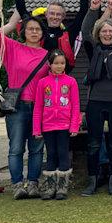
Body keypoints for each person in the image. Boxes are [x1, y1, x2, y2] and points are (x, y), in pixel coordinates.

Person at [80, 0, 112, 197]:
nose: (107, 34)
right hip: (95, 102)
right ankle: (92, 180)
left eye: (110, 31)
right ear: (99, 34)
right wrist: (93, 10)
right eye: (104, 31)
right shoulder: (93, 50)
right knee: (93, 142)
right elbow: (85, 31)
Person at [0, 12, 51, 200]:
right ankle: (17, 184)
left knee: (37, 148)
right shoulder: (13, 48)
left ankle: (33, 183)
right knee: (16, 147)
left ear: (42, 33)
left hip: (39, 106)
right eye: (30, 29)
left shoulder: (47, 56)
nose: (34, 32)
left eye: (37, 29)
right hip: (17, 105)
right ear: (24, 32)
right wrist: (12, 23)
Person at [11, 0, 89, 68]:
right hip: (38, 77)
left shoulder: (68, 33)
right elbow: (21, 9)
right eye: (52, 13)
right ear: (46, 14)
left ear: (63, 17)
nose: (55, 17)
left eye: (58, 14)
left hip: (60, 80)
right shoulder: (38, 31)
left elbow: (83, 11)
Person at [32, 50, 80, 200]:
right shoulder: (42, 83)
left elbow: (76, 106)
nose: (59, 66)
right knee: (51, 155)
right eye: (56, 63)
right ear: (50, 64)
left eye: (62, 63)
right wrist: (36, 128)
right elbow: (38, 107)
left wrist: (74, 126)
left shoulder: (71, 81)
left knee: (63, 154)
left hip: (64, 126)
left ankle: (62, 187)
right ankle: (50, 186)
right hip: (48, 126)